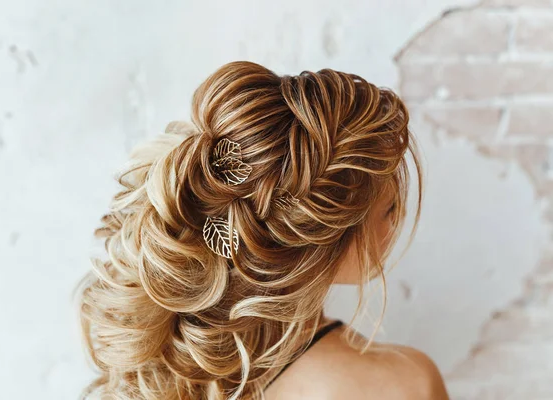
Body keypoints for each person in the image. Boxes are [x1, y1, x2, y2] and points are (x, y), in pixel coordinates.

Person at [76, 61, 450, 399]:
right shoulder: (403, 385)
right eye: (389, 209)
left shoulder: (164, 375)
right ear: (321, 242)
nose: (397, 221)